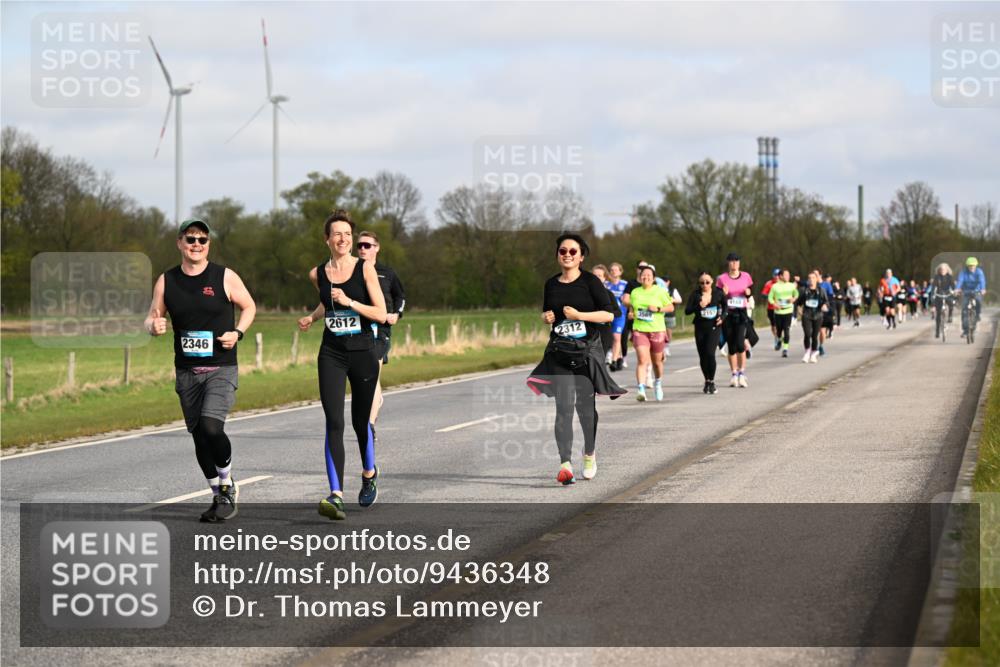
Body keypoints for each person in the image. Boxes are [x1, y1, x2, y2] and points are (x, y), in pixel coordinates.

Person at [145, 218, 257, 522]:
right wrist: (153, 326)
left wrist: (238, 333)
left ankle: (227, 484)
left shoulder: (224, 276)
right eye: (191, 239)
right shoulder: (167, 280)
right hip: (186, 371)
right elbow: (152, 317)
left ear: (209, 245)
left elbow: (249, 307)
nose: (197, 244)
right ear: (180, 243)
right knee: (198, 436)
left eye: (202, 240)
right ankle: (218, 492)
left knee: (211, 427)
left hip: (221, 367)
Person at [298, 210, 387, 521]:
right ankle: (335, 494)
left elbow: (381, 313)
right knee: (333, 421)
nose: (343, 239)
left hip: (363, 351)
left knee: (360, 422)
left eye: (347, 234)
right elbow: (328, 300)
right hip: (331, 353)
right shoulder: (317, 273)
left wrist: (351, 303)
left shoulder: (365, 270)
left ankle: (369, 472)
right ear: (327, 239)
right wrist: (313, 316)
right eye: (337, 234)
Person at [527, 234, 625, 485]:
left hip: (586, 352)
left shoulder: (591, 282)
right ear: (557, 255)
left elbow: (609, 315)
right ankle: (565, 464)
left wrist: (580, 315)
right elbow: (551, 315)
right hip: (560, 352)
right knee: (563, 408)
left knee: (585, 409)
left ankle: (589, 454)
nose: (567, 255)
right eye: (563, 251)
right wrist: (546, 318)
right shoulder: (551, 284)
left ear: (581, 257)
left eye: (573, 251)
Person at [356, 230, 406, 431]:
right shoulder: (352, 271)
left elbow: (400, 297)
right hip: (358, 329)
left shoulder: (388, 273)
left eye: (367, 245)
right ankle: (375, 403)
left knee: (372, 372)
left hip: (380, 329)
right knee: (363, 377)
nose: (362, 249)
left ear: (376, 248)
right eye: (359, 245)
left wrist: (396, 314)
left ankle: (369, 424)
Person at [624, 265, 674, 401]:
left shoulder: (660, 291)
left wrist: (658, 309)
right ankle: (641, 389)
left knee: (657, 363)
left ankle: (658, 382)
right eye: (643, 275)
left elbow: (670, 307)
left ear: (653, 278)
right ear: (640, 277)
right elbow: (633, 309)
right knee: (642, 360)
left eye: (649, 275)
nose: (646, 277)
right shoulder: (635, 292)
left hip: (657, 330)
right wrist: (631, 314)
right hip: (640, 330)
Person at [716, 252, 753, 388]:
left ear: (739, 263)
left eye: (736, 261)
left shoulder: (746, 276)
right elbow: (717, 297)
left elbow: (750, 292)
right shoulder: (722, 279)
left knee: (739, 344)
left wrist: (748, 294)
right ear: (728, 263)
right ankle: (734, 374)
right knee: (731, 346)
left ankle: (742, 373)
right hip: (728, 314)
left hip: (741, 313)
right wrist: (723, 294)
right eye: (731, 261)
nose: (734, 263)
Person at [686, 270, 727, 393]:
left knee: (710, 353)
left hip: (714, 327)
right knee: (703, 356)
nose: (705, 285)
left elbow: (725, 307)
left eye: (707, 282)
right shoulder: (695, 294)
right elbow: (687, 311)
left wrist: (722, 317)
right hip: (700, 327)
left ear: (712, 282)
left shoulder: (718, 293)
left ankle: (712, 381)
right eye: (702, 283)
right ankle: (707, 380)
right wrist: (699, 305)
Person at [796, 272, 829, 363]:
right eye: (809, 278)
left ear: (816, 279)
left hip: (818, 315)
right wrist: (799, 310)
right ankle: (807, 352)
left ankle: (814, 353)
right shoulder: (803, 290)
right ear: (808, 280)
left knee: (814, 336)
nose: (811, 279)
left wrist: (824, 306)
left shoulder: (821, 290)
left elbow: (826, 302)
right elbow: (798, 303)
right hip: (806, 315)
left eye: (813, 278)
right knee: (807, 334)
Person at [766, 269, 798, 358]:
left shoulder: (791, 286)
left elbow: (796, 294)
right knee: (779, 331)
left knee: (786, 331)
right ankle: (779, 340)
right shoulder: (775, 286)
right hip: (778, 312)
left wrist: (793, 299)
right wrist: (774, 304)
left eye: (789, 275)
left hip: (788, 311)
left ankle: (785, 350)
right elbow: (770, 297)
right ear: (780, 276)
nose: (788, 277)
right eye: (786, 275)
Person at [956, 256, 987, 339]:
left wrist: (983, 289)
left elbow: (982, 281)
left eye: (973, 265)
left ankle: (978, 314)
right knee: (964, 311)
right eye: (970, 266)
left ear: (976, 265)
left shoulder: (979, 272)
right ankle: (965, 330)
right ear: (967, 266)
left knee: (979, 302)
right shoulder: (963, 272)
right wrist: (957, 288)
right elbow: (960, 280)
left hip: (977, 291)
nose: (971, 267)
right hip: (966, 291)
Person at [605, 262, 629, 370]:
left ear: (620, 271)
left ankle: (614, 361)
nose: (614, 272)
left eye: (616, 270)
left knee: (616, 337)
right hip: (609, 314)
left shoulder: (625, 284)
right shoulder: (606, 284)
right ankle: (618, 356)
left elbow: (630, 299)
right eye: (612, 270)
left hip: (620, 314)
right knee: (610, 337)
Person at [592, 264, 617, 363]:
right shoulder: (584, 292)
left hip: (604, 332)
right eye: (594, 275)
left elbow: (617, 312)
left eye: (599, 276)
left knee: (599, 362)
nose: (596, 278)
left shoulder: (608, 294)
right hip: (587, 331)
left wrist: (605, 314)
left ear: (605, 278)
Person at [928, 263, 956, 338]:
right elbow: (933, 287)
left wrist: (954, 292)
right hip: (939, 295)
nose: (942, 271)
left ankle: (950, 316)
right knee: (938, 315)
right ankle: (937, 331)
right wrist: (933, 296)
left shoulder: (950, 277)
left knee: (951, 303)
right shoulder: (937, 277)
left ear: (947, 270)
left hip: (947, 294)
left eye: (944, 269)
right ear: (939, 270)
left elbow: (953, 286)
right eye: (941, 269)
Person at [661, 274, 683, 357]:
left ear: (668, 282)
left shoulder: (672, 290)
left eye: (665, 282)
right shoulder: (657, 289)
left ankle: (667, 347)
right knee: (661, 332)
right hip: (660, 314)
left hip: (670, 314)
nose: (664, 283)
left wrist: (671, 299)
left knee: (669, 332)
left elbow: (679, 300)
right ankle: (662, 347)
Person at [761, 268, 781, 350]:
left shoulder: (783, 284)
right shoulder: (769, 284)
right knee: (773, 326)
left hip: (781, 308)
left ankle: (779, 338)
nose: (776, 277)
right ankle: (777, 337)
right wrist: (770, 295)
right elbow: (763, 293)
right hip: (771, 308)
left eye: (778, 275)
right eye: (775, 275)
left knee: (779, 325)